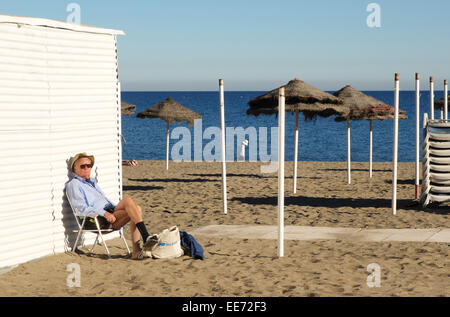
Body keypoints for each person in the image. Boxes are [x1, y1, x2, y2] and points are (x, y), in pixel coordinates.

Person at [65, 152, 157, 260]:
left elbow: (104, 201)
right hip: (97, 219)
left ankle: (137, 251)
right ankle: (145, 237)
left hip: (110, 212)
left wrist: (116, 209)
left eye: (89, 166)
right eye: (83, 166)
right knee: (128, 201)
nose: (87, 168)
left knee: (137, 209)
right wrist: (104, 213)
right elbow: (81, 208)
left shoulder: (92, 182)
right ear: (75, 169)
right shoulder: (74, 184)